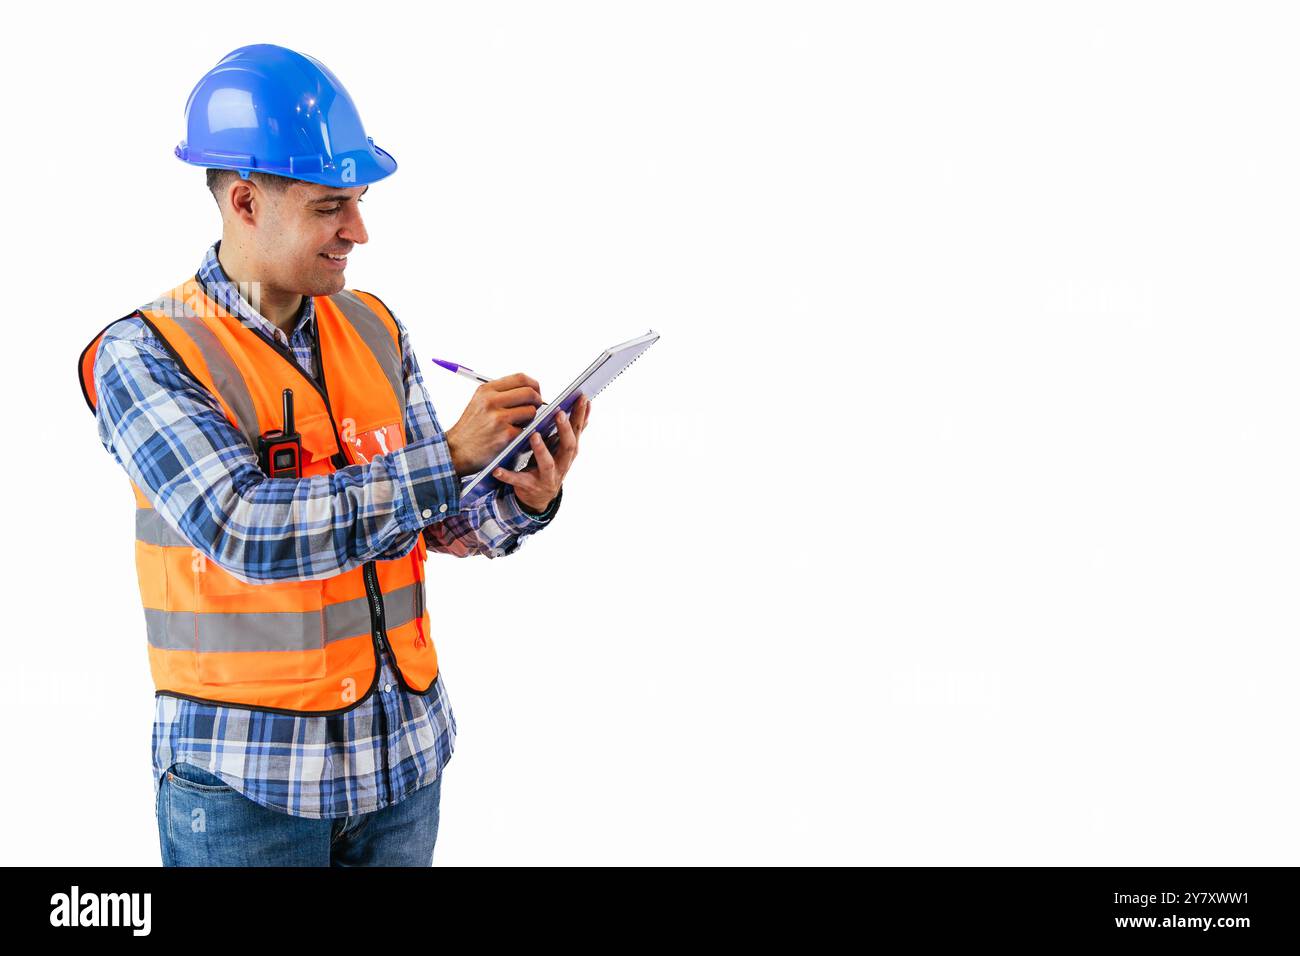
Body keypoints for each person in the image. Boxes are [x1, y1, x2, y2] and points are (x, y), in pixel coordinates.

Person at [76, 43, 591, 866]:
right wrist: (449, 455)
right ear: (245, 202)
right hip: (249, 792)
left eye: (356, 202)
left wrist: (519, 492)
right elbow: (245, 530)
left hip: (403, 767)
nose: (360, 231)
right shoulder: (147, 354)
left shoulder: (374, 327)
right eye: (330, 208)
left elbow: (438, 523)